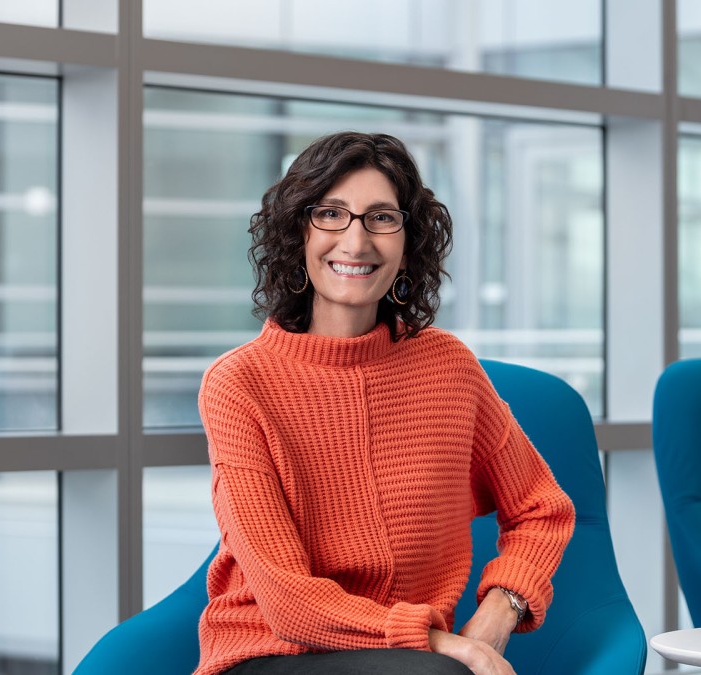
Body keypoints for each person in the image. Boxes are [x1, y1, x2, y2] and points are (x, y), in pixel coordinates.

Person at [194, 131, 575, 675]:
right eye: (331, 214)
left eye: (381, 217)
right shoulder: (239, 383)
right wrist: (444, 645)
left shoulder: (448, 366)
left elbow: (542, 508)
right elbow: (288, 604)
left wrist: (496, 616)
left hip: (409, 662)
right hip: (272, 653)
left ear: (407, 239)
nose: (355, 242)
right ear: (297, 232)